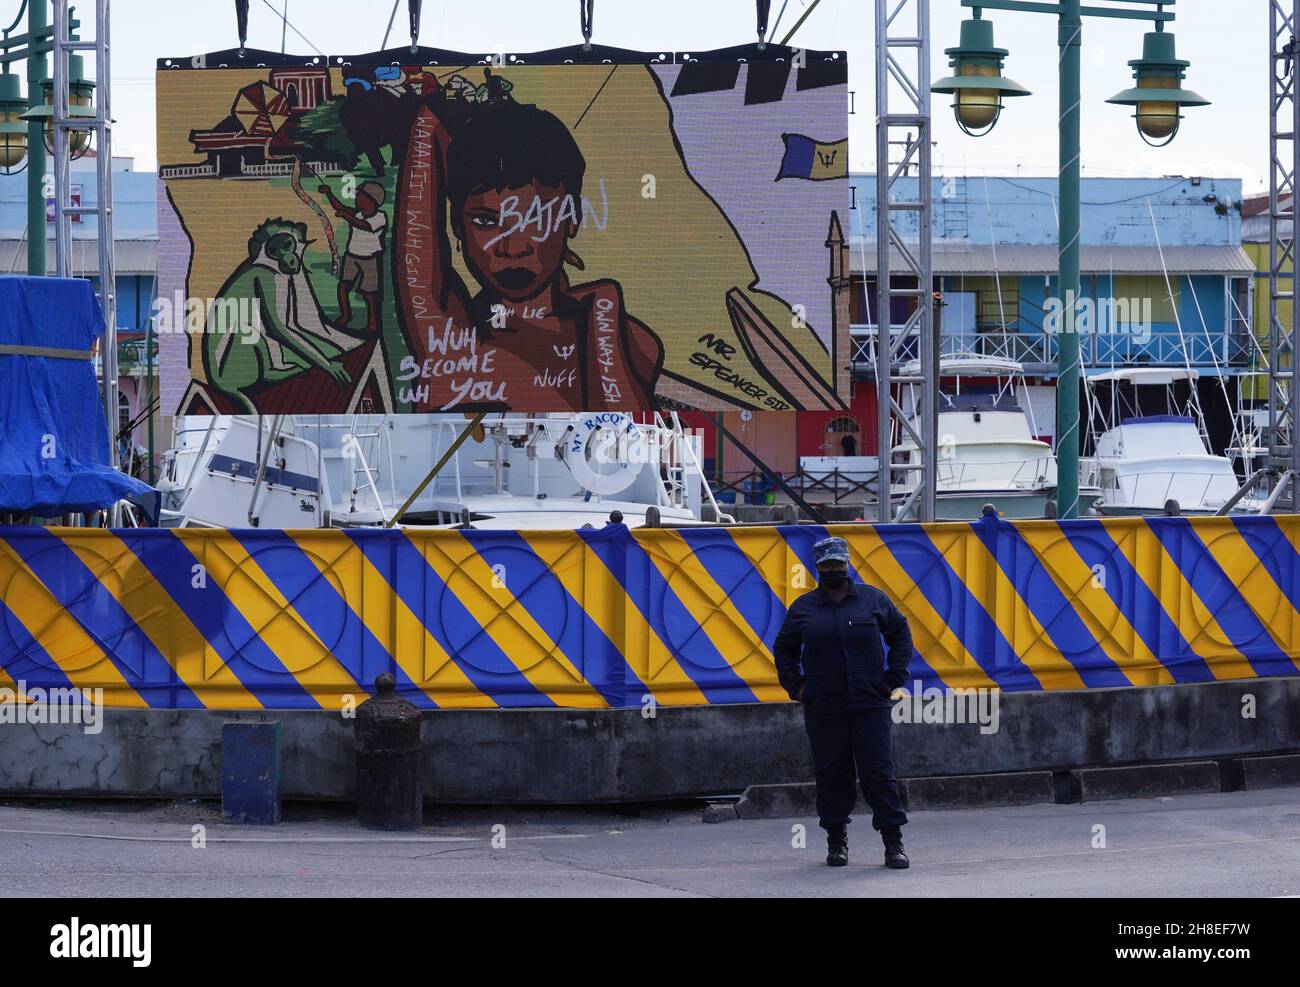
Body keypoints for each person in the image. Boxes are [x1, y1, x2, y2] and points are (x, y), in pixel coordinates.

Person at [393, 90, 664, 411]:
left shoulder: (628, 338)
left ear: (572, 219)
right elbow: (417, 227)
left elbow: (628, 449)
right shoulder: (447, 330)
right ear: (456, 226)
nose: (511, 247)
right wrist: (439, 118)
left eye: (535, 218)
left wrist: (603, 320)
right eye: (484, 221)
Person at [773, 535, 913, 869]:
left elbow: (901, 634)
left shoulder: (872, 600)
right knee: (832, 774)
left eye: (839, 563)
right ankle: (836, 842)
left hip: (870, 703)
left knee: (879, 773)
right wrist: (798, 688)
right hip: (825, 707)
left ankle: (893, 844)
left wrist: (892, 679)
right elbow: (784, 648)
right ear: (818, 568)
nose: (834, 569)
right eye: (827, 564)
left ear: (848, 563)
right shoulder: (803, 609)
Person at [319, 180, 388, 334]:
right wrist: (329, 193)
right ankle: (345, 316)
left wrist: (346, 216)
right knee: (343, 287)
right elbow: (340, 207)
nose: (357, 198)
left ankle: (373, 324)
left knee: (369, 295)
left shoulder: (380, 217)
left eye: (360, 196)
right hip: (352, 256)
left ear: (372, 200)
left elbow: (364, 226)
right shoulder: (358, 213)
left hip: (369, 259)